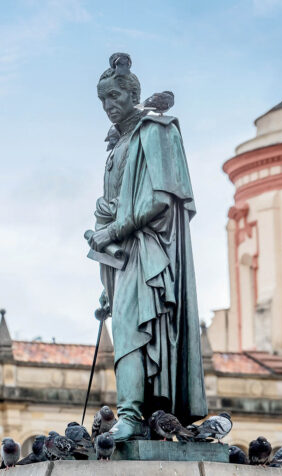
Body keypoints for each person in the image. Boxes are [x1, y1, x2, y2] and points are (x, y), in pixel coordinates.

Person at [87, 52, 208, 441]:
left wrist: (111, 231)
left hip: (150, 248)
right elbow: (114, 203)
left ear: (131, 94)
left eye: (114, 98)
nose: (108, 107)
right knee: (130, 330)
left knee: (128, 329)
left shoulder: (156, 129)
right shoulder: (117, 143)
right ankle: (139, 415)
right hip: (124, 255)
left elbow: (158, 199)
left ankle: (131, 414)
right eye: (103, 100)